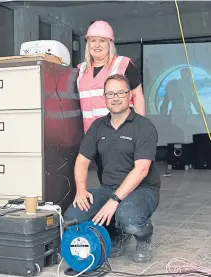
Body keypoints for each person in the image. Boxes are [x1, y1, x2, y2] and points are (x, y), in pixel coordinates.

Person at [64, 74, 160, 267]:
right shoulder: (98, 126)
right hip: (108, 188)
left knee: (130, 218)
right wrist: (81, 190)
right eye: (110, 94)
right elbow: (82, 161)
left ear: (129, 96)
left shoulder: (143, 126)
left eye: (120, 93)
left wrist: (114, 200)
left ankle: (143, 238)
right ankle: (118, 234)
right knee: (73, 217)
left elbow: (141, 170)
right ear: (105, 98)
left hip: (142, 190)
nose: (115, 98)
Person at [77, 20, 145, 134]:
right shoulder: (81, 70)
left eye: (102, 41)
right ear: (88, 44)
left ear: (110, 44)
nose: (97, 45)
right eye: (93, 40)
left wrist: (141, 129)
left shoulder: (123, 64)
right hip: (91, 136)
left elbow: (138, 96)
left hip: (120, 133)